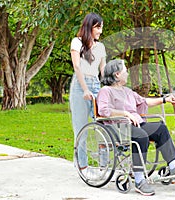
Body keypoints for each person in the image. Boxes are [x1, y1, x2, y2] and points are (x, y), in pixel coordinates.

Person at [97, 59, 175, 196]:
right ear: (117, 74)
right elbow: (103, 110)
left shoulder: (127, 91)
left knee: (160, 129)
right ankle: (139, 179)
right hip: (118, 127)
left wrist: (165, 99)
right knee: (141, 136)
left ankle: (173, 166)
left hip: (136, 124)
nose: (127, 72)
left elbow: (143, 101)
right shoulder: (106, 91)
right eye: (125, 70)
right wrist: (124, 113)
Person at [69, 13, 106, 172]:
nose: (100, 31)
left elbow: (103, 70)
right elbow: (77, 67)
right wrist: (85, 89)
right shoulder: (76, 42)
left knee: (103, 124)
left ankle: (104, 166)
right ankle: (82, 166)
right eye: (98, 27)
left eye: (101, 27)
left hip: (96, 84)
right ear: (89, 26)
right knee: (81, 127)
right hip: (79, 85)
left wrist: (109, 89)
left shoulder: (101, 46)